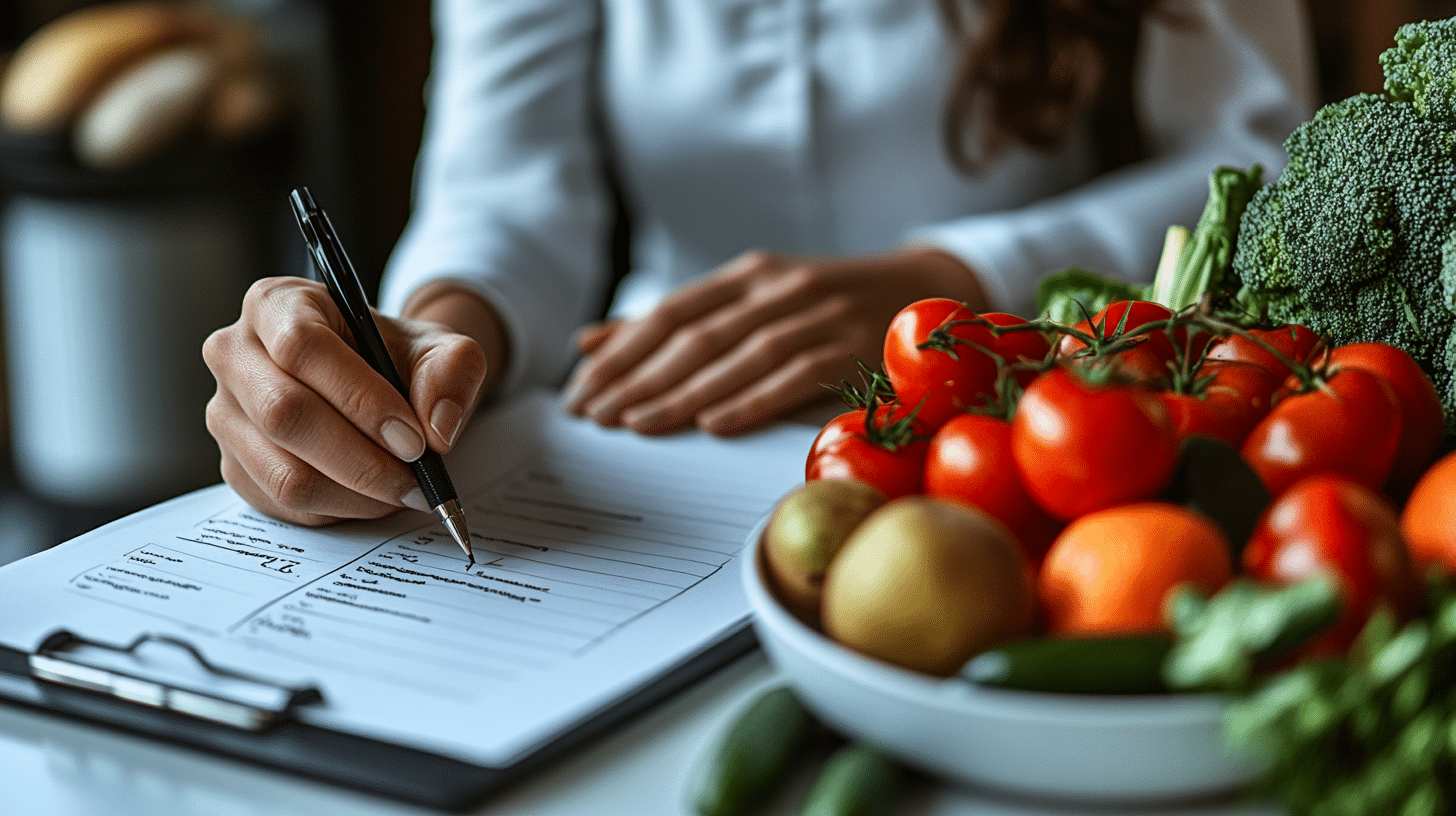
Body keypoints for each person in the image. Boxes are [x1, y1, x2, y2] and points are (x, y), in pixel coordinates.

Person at [203, 0, 1316, 527]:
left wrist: (955, 284)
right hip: (657, 423)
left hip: (1026, 427)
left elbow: (1258, 150)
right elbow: (505, 190)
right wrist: (427, 334)